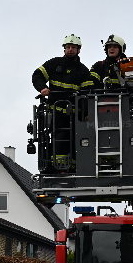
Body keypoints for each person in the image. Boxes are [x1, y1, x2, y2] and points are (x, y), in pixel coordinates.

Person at [32, 34, 93, 170]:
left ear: (79, 50)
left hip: (75, 116)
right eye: (68, 47)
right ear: (64, 49)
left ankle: (74, 168)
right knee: (57, 142)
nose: (70, 50)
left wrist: (86, 113)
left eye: (73, 47)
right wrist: (43, 88)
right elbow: (37, 75)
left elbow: (87, 93)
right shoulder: (54, 64)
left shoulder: (83, 71)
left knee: (76, 142)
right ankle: (56, 169)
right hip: (56, 114)